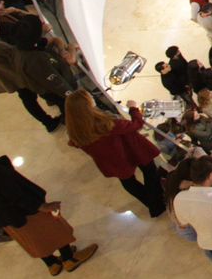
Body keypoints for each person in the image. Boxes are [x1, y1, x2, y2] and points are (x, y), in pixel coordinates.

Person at [0, 132, 96, 276]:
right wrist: (43, 207)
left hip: (3, 218)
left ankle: (52, 264)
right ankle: (69, 258)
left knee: (32, 239)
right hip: (26, 212)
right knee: (53, 229)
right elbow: (17, 195)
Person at [63, 89, 165, 217]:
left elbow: (77, 144)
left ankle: (153, 204)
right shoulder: (105, 123)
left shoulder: (76, 131)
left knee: (128, 182)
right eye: (90, 98)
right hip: (130, 150)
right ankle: (156, 203)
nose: (93, 99)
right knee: (150, 172)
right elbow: (136, 124)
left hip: (110, 161)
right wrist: (133, 109)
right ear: (87, 106)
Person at [0, 12, 63, 132]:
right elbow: (23, 52)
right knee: (46, 94)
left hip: (12, 78)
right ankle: (59, 118)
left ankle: (48, 122)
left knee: (28, 99)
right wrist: (43, 34)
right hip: (21, 77)